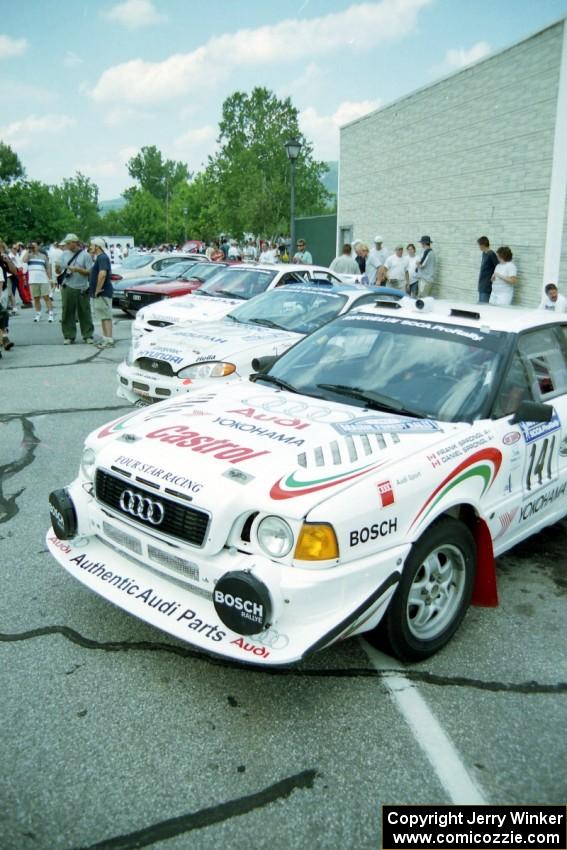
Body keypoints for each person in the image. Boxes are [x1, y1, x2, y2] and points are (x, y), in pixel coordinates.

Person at [59, 233, 94, 344]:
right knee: (67, 311)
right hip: (67, 286)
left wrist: (78, 269)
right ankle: (69, 336)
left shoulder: (85, 255)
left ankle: (87, 335)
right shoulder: (64, 254)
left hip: (82, 287)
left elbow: (89, 271)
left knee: (85, 311)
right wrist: (56, 267)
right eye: (66, 243)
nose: (67, 245)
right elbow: (59, 271)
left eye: (69, 243)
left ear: (75, 243)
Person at [89, 238, 114, 349]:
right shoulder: (99, 258)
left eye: (92, 245)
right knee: (103, 316)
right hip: (100, 293)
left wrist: (98, 289)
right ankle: (105, 339)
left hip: (103, 292)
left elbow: (102, 274)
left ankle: (109, 340)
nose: (90, 247)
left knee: (106, 316)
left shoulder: (102, 258)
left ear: (97, 246)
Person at [23, 241, 53, 322]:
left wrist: (50, 279)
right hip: (33, 280)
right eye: (32, 246)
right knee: (36, 298)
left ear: (38, 247)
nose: (33, 247)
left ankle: (50, 314)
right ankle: (38, 313)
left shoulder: (43, 256)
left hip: (43, 279)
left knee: (46, 297)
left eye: (34, 246)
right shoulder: (29, 255)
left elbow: (47, 268)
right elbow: (24, 260)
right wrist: (28, 250)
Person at [477, 236, 498, 303]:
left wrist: (494, 276)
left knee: (483, 306)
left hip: (487, 285)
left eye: (479, 245)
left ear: (483, 245)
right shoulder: (484, 253)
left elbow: (497, 267)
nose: (479, 247)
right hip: (481, 284)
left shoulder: (491, 254)